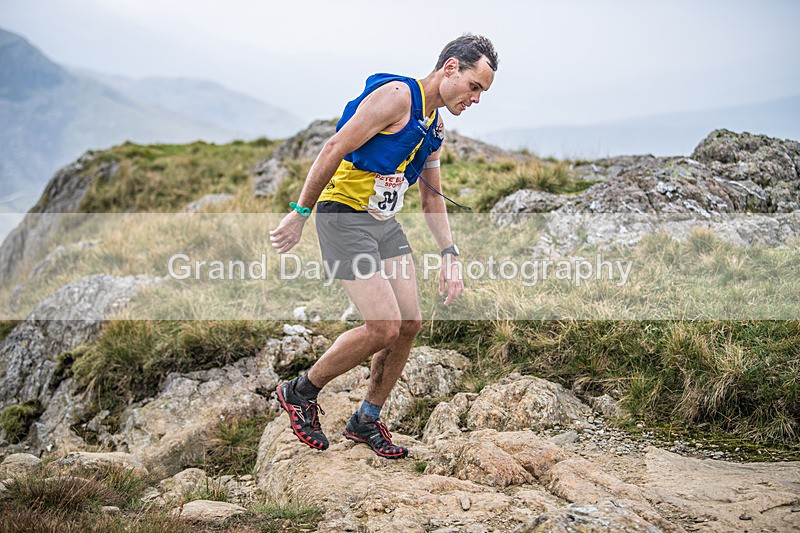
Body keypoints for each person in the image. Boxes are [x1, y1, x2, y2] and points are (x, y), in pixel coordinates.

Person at [270, 34, 498, 459]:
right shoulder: (397, 97)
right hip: (343, 215)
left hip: (382, 222)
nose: (476, 98)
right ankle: (300, 391)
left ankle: (366, 419)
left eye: (482, 92)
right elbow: (335, 146)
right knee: (384, 326)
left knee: (409, 323)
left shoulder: (434, 126)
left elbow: (431, 198)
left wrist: (449, 255)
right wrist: (299, 213)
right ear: (451, 67)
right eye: (474, 86)